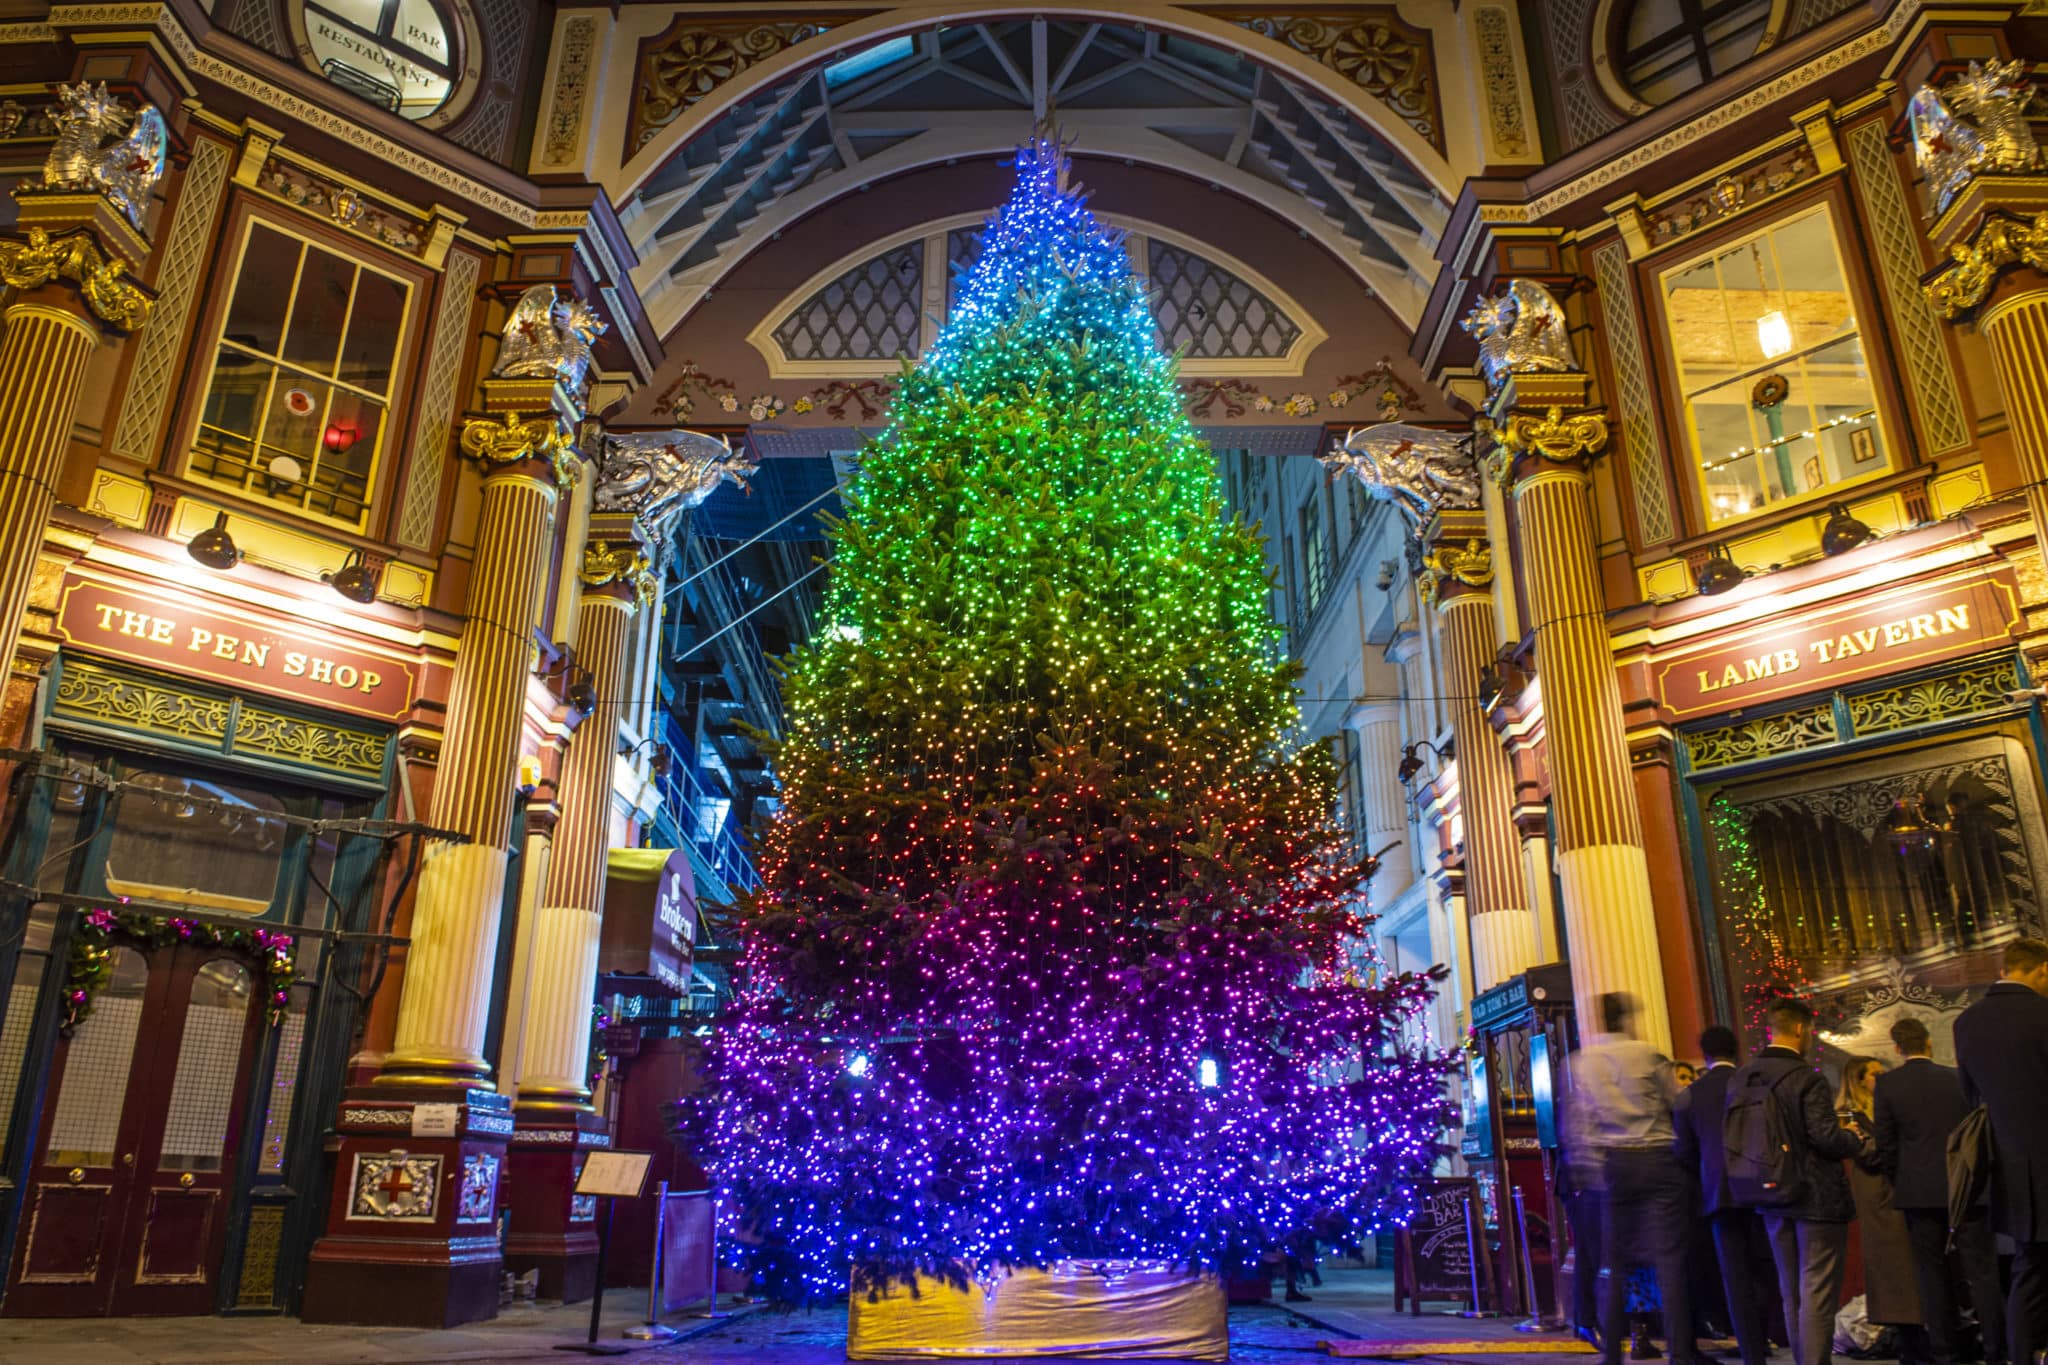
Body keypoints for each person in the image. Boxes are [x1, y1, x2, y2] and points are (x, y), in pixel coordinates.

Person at [1727, 997, 1863, 1365]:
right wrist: (1854, 1137)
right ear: (1801, 1029)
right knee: (1817, 1290)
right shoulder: (1806, 1077)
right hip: (1814, 1195)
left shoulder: (1742, 1076)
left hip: (1767, 1192)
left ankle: (1804, 1358)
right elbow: (1825, 1138)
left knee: (1792, 1292)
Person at [1568, 992, 1699, 1365]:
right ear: (1626, 1018)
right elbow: (1676, 1102)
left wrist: (1589, 1175)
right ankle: (1681, 1352)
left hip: (1612, 1165)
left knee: (1613, 1263)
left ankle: (1611, 1353)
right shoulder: (1648, 1053)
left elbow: (1578, 1124)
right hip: (1657, 1158)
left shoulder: (1583, 1063)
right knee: (1669, 1260)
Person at [1875, 1016, 2006, 1365]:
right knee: (1981, 1272)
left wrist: (1899, 1178)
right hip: (1965, 1187)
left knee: (1931, 1273)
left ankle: (1945, 1353)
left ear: (1898, 1048)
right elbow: (1976, 1132)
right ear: (1929, 1043)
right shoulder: (1954, 1079)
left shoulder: (1887, 1085)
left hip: (1918, 1190)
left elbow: (1886, 1145)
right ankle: (1995, 1350)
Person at [1953, 938, 2048, 1365]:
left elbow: (1971, 1099)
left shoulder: (1967, 1023)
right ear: (2041, 970)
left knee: (2030, 1270)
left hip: (2009, 1169)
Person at [1674, 1025, 1777, 1365]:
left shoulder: (1691, 1095)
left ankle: (1751, 1351)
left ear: (1704, 1053)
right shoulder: (1756, 1083)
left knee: (1735, 1276)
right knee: (1764, 1268)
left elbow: (1685, 1152)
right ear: (1736, 1051)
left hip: (1718, 1192)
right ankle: (1766, 1338)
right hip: (1763, 1188)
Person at [1838, 1056, 1924, 1357]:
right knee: (1891, 1267)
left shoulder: (1885, 1108)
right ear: (1859, 1081)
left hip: (1896, 1192)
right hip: (1877, 1198)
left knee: (1908, 1267)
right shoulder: (1852, 1116)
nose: (1881, 1076)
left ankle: (1914, 1334)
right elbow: (1869, 1154)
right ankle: (1906, 1337)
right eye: (1874, 1073)